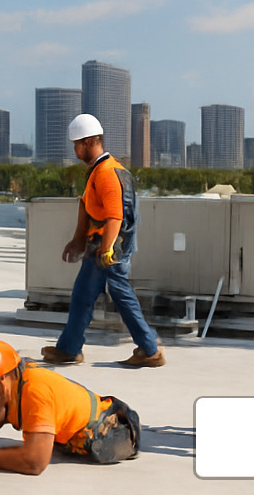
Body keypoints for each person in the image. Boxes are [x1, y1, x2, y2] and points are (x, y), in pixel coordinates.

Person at [41, 114, 163, 368]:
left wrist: (107, 249)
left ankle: (150, 349)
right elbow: (87, 208)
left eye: (76, 144)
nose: (74, 150)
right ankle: (69, 349)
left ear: (87, 142)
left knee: (121, 295)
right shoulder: (99, 170)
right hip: (100, 246)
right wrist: (78, 240)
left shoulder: (107, 173)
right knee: (83, 294)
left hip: (109, 246)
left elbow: (115, 215)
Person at [0, 340, 139, 474]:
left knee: (33, 447)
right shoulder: (13, 386)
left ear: (1, 380)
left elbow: (35, 462)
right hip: (88, 429)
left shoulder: (34, 391)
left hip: (112, 429)